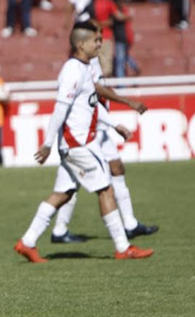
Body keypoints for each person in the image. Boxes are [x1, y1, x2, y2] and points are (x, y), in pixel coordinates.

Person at [14, 21, 153, 263]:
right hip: (79, 144)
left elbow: (91, 103)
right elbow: (60, 109)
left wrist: (114, 125)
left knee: (64, 193)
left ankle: (27, 242)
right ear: (81, 44)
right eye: (94, 41)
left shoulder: (84, 68)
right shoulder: (72, 71)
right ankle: (123, 248)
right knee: (106, 189)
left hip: (75, 143)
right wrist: (47, 143)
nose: (99, 45)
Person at [50, 48, 157, 243]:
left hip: (100, 128)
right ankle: (58, 230)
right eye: (97, 38)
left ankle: (130, 224)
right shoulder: (80, 65)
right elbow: (96, 90)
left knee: (117, 169)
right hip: (86, 132)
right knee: (75, 184)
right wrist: (127, 101)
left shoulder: (92, 61)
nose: (100, 42)